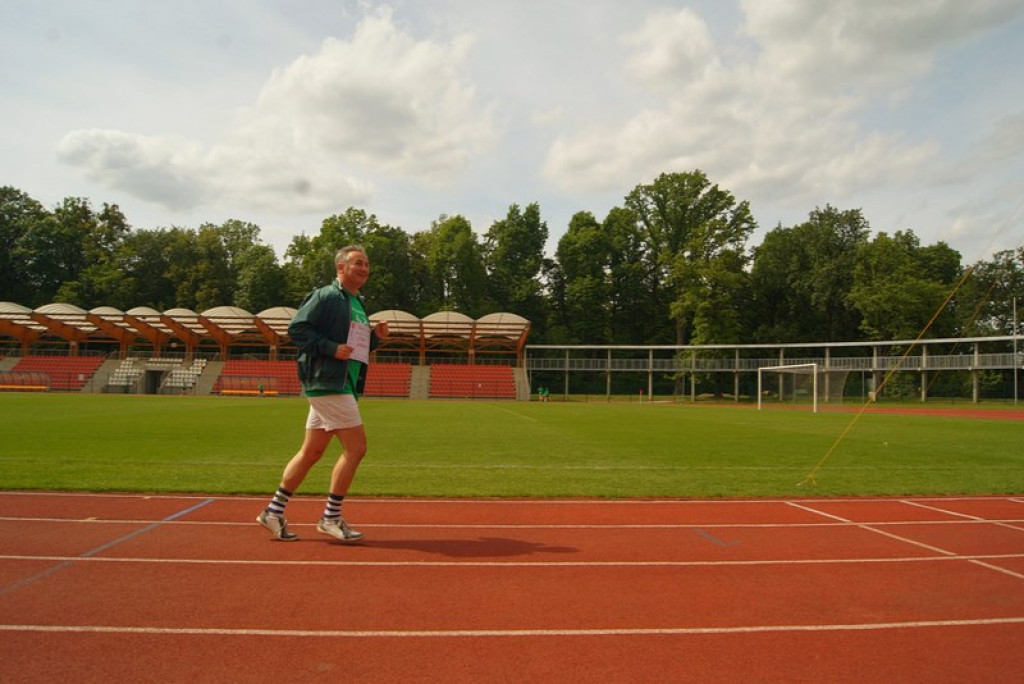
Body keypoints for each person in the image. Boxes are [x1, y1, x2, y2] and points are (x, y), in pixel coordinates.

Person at [257, 245, 390, 542]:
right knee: (356, 449)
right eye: (358, 263)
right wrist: (331, 348)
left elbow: (353, 348)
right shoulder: (327, 296)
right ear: (340, 268)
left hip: (340, 383)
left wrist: (375, 339)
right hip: (330, 384)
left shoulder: (356, 302)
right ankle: (330, 517)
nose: (365, 268)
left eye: (367, 264)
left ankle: (272, 511)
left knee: (312, 452)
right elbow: (298, 329)